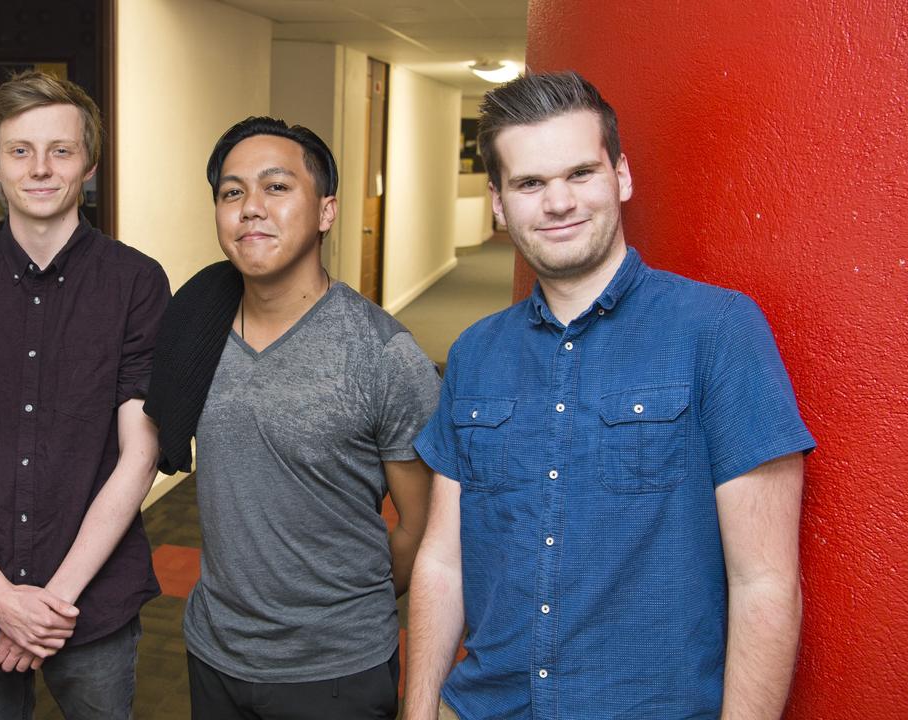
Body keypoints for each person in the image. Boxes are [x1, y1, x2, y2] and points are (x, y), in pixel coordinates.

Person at [404, 71, 816, 719]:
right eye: (530, 184)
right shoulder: (475, 352)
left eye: (580, 174)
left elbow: (764, 583)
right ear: (498, 203)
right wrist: (419, 708)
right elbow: (442, 561)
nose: (559, 202)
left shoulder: (718, 331)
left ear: (620, 177)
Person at [145, 117, 441, 719]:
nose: (250, 208)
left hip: (336, 670)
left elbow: (422, 525)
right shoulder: (195, 331)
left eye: (276, 188)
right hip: (215, 650)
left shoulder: (383, 355)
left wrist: (346, 616)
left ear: (327, 211)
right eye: (232, 193)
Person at [0, 70, 169, 719]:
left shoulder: (136, 282)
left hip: (92, 600)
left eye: (61, 150)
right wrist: (0, 597)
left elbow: (139, 456)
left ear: (89, 164)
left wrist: (47, 607)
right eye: (20, 150)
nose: (41, 168)